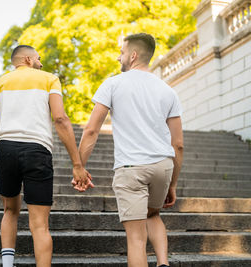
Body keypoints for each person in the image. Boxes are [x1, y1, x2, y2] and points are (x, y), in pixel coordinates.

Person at [0, 45, 92, 267]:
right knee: (40, 224)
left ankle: (7, 265)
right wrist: (77, 164)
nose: (41, 62)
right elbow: (61, 119)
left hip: (5, 149)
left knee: (9, 209)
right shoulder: (49, 79)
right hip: (37, 150)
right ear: (27, 59)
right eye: (38, 58)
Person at [77, 33, 184, 267]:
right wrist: (173, 183)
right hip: (162, 167)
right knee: (153, 215)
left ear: (133, 55)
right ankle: (163, 263)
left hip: (131, 168)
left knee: (136, 239)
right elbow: (178, 144)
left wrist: (80, 166)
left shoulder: (113, 84)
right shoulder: (168, 91)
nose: (119, 57)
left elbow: (91, 131)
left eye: (122, 52)